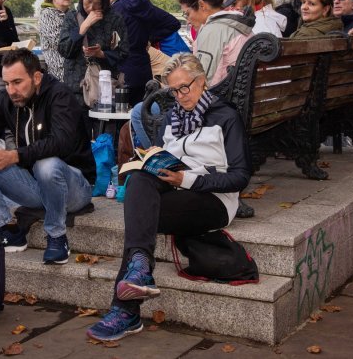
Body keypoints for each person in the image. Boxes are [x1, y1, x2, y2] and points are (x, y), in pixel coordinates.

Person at [87, 53, 251, 342]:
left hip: (213, 199)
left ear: (201, 82)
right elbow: (160, 160)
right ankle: (139, 268)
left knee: (140, 218)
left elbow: (239, 177)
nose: (180, 96)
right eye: (174, 91)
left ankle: (126, 309)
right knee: (139, 177)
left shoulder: (225, 117)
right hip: (172, 190)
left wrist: (186, 178)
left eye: (185, 88)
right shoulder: (170, 119)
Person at [0, 49, 95, 264]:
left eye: (18, 82)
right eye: (7, 83)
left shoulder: (60, 96)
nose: (11, 90)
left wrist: (14, 156)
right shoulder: (6, 98)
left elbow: (60, 142)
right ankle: (6, 229)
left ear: (36, 77)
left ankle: (57, 237)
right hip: (35, 186)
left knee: (46, 164)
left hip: (75, 188)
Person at [111, 0, 181, 105]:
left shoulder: (118, 7)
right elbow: (173, 23)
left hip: (122, 70)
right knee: (140, 114)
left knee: (119, 116)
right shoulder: (145, 5)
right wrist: (149, 38)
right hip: (143, 68)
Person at [58, 0, 129, 107]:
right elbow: (64, 50)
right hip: (76, 87)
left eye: (97, 4)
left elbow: (125, 52)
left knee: (104, 126)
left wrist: (101, 54)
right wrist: (83, 27)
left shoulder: (114, 18)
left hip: (105, 89)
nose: (91, 7)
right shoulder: (72, 16)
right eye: (88, 1)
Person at [178, 0, 255, 85]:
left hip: (222, 99)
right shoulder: (239, 24)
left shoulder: (212, 31)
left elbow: (204, 83)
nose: (188, 21)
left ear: (201, 5)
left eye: (187, 13)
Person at [37, 0, 74, 82]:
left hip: (73, 71)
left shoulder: (70, 14)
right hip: (60, 73)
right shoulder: (47, 14)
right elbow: (62, 43)